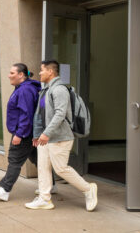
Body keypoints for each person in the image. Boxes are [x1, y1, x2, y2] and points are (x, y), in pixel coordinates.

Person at [25, 60, 98, 211]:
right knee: (43, 167)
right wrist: (37, 135)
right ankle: (44, 199)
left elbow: (60, 114)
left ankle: (88, 189)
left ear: (50, 72)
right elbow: (40, 114)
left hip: (60, 137)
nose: (39, 73)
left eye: (42, 70)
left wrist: (46, 133)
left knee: (60, 169)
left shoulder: (59, 90)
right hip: (46, 138)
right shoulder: (46, 91)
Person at [0, 63, 57, 201]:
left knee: (15, 160)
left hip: (24, 133)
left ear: (21, 75)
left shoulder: (25, 90)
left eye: (12, 73)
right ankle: (51, 185)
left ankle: (4, 189)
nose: (9, 75)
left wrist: (19, 134)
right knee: (37, 159)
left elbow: (26, 114)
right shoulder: (24, 88)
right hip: (29, 132)